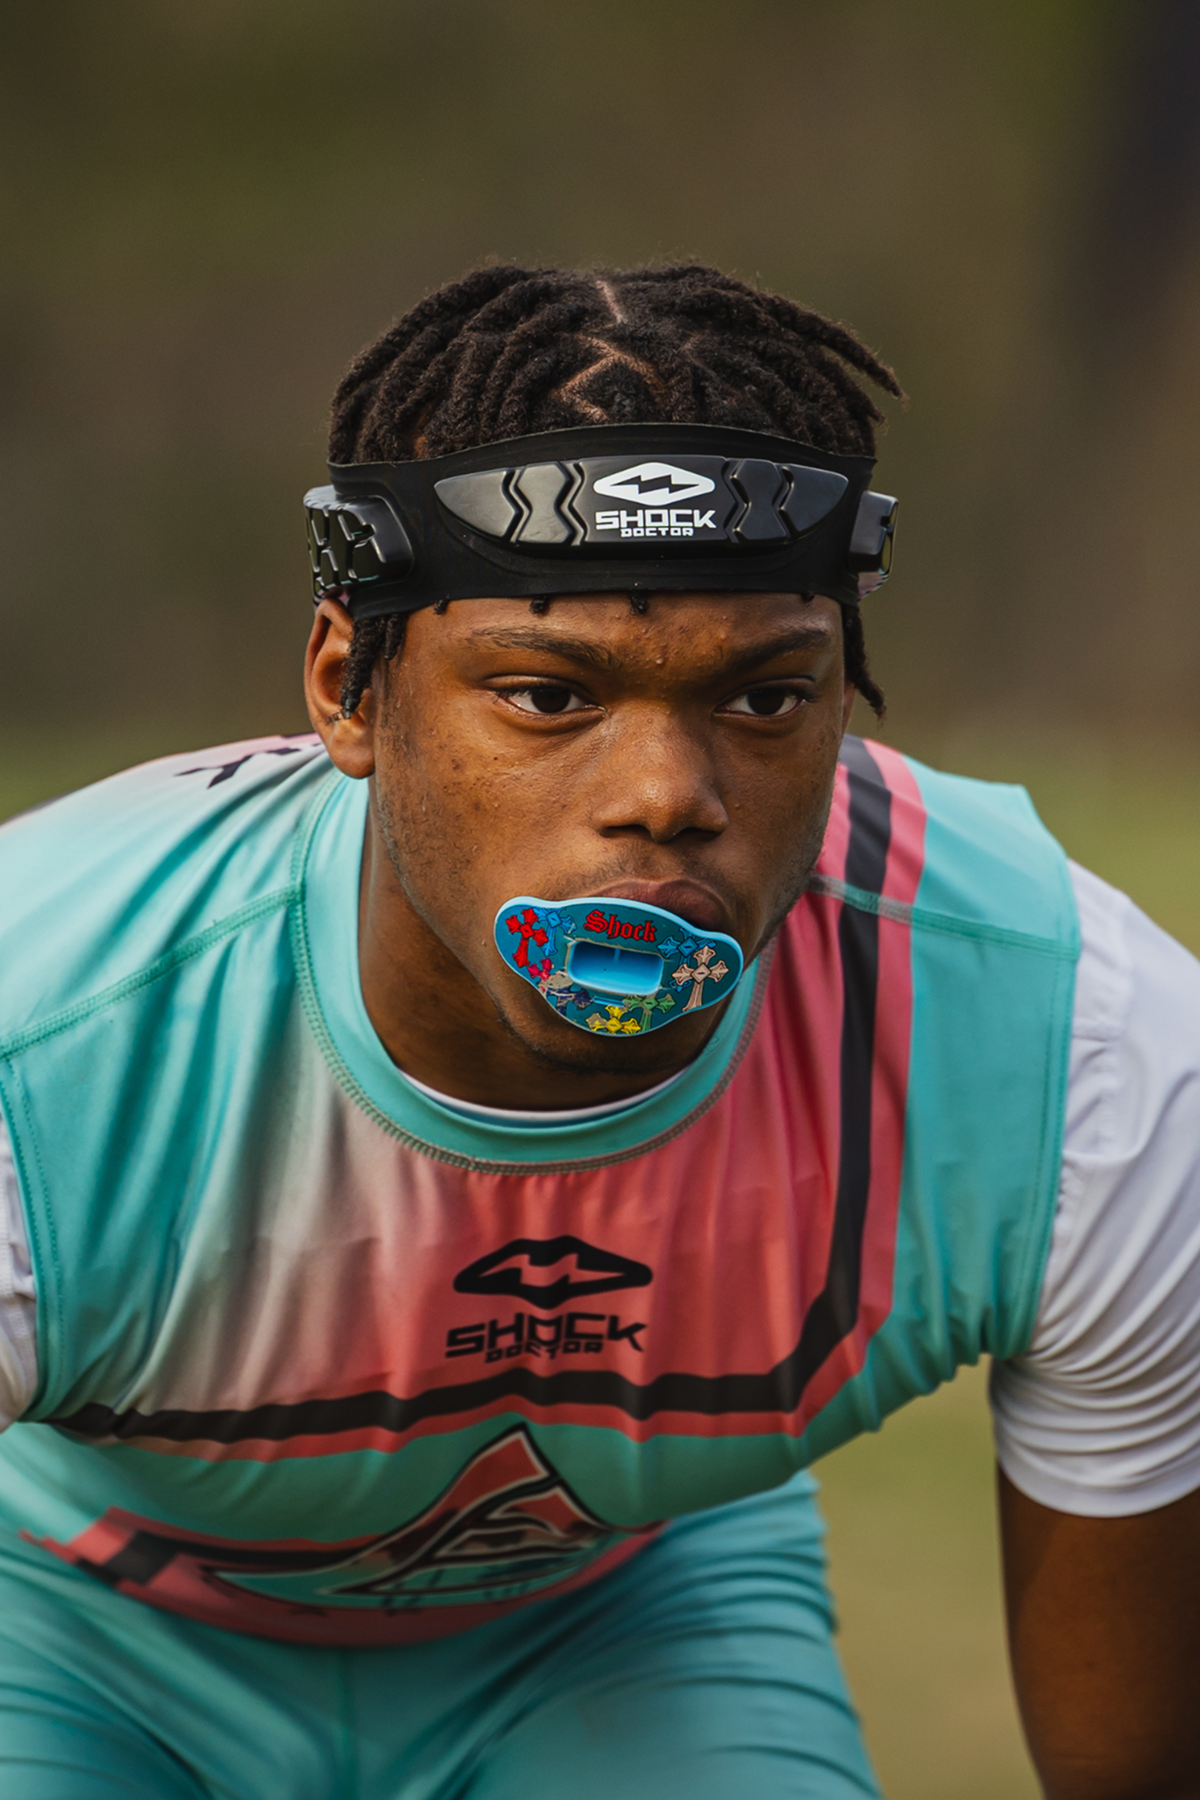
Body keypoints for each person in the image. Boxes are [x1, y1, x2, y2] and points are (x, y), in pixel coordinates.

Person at [0, 263, 1198, 1800]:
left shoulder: (1075, 1047)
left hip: (617, 1621)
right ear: (347, 692)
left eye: (765, 699)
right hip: (60, 1616)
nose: (666, 795)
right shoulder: (49, 1036)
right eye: (546, 693)